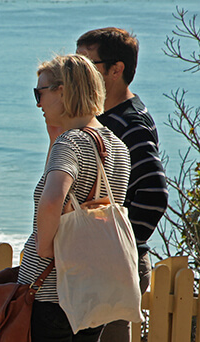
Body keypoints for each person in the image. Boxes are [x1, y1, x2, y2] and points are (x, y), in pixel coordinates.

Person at [18, 54, 131, 342]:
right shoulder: (118, 147)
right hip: (93, 290)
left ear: (63, 91)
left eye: (40, 92)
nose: (39, 103)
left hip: (52, 290)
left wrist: (44, 249)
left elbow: (53, 198)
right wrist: (54, 138)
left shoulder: (71, 142)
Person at [76, 28, 168, 342]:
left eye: (88, 65)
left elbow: (154, 193)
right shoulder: (106, 117)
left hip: (114, 265)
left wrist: (118, 246)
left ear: (117, 70)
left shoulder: (129, 124)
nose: (80, 73)